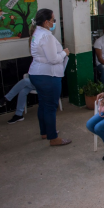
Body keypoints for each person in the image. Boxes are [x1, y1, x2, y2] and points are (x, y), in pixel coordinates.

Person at [28, 8, 71, 146]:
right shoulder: (47, 36)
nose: (54, 22)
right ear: (46, 22)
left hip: (37, 74)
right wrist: (64, 53)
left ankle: (45, 132)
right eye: (53, 20)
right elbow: (53, 59)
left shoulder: (37, 33)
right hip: (48, 76)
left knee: (43, 105)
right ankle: (53, 138)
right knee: (51, 107)